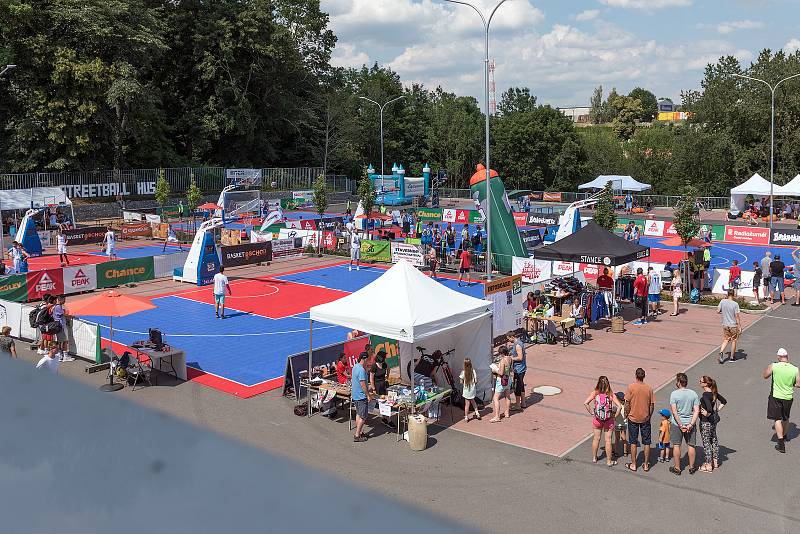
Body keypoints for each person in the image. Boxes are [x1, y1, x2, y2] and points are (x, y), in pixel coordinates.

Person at [764, 348, 799, 453]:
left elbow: (765, 376)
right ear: (787, 357)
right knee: (786, 418)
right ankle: (784, 435)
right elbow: (798, 384)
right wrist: (791, 383)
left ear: (779, 357)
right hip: (788, 397)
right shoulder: (795, 369)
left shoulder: (774, 366)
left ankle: (780, 443)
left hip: (776, 396)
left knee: (777, 419)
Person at [583, 375, 623, 466]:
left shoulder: (595, 393)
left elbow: (585, 403)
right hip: (608, 420)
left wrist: (592, 413)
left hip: (597, 419)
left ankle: (594, 457)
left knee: (596, 438)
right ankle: (609, 461)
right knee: (608, 440)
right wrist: (615, 417)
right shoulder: (610, 394)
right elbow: (619, 406)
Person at [669, 372, 700, 475]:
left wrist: (680, 424)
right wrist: (691, 424)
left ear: (678, 382)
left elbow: (674, 411)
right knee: (691, 445)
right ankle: (691, 467)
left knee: (677, 445)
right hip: (690, 423)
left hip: (677, 424)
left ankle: (677, 468)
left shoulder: (674, 394)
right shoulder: (693, 393)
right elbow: (696, 410)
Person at [625, 368, 655, 472]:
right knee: (647, 442)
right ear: (644, 376)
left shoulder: (631, 387)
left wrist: (626, 414)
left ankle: (633, 464)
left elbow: (627, 403)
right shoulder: (649, 388)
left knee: (633, 441)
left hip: (633, 418)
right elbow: (652, 405)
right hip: (645, 418)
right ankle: (646, 464)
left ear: (636, 376)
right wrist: (649, 416)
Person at [698, 376, 727, 473]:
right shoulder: (714, 393)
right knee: (714, 440)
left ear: (705, 384)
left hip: (705, 422)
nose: (700, 382)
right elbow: (724, 401)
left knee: (706, 443)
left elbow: (709, 408)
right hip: (713, 422)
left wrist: (708, 413)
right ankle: (715, 462)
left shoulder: (705, 394)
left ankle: (709, 465)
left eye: (701, 381)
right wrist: (717, 410)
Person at [717, 288, 741, 364]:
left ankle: (721, 352)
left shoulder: (722, 301)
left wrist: (723, 311)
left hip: (725, 324)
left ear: (727, 294)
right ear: (733, 295)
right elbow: (737, 316)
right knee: (734, 340)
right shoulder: (735, 304)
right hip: (733, 325)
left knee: (726, 339)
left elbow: (718, 311)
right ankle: (732, 357)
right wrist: (739, 326)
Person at [351, 352, 371, 442]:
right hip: (361, 396)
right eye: (368, 359)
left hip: (355, 395)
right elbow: (363, 385)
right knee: (363, 417)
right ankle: (357, 435)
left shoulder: (356, 367)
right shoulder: (361, 371)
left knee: (358, 414)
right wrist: (368, 395)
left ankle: (360, 432)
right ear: (365, 359)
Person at [370, 349, 392, 428]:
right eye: (384, 357)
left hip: (383, 384)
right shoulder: (374, 366)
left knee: (385, 401)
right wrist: (373, 388)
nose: (385, 359)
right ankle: (387, 419)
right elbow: (371, 378)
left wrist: (387, 377)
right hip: (377, 385)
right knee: (382, 402)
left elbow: (388, 369)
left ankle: (385, 418)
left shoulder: (384, 364)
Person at [490, 347, 512, 423]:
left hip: (501, 380)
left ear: (502, 353)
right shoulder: (510, 358)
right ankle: (507, 412)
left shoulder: (503, 361)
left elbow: (501, 373)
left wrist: (495, 370)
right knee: (508, 396)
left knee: (495, 398)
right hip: (508, 379)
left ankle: (497, 416)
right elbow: (510, 369)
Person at [507, 331, 526, 411]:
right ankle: (523, 402)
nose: (508, 340)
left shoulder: (518, 345)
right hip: (521, 368)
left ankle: (518, 405)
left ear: (512, 337)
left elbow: (520, 357)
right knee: (521, 385)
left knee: (517, 386)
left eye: (508, 339)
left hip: (519, 369)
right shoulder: (518, 343)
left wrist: (511, 358)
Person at [52, 295, 73, 362]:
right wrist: (70, 316)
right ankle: (65, 356)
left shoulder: (56, 306)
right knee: (65, 341)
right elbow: (63, 315)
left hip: (59, 326)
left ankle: (60, 355)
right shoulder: (58, 307)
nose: (65, 301)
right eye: (64, 300)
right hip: (61, 326)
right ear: (60, 300)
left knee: (60, 341)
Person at [460, 357, 481, 422]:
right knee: (473, 401)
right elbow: (476, 381)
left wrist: (464, 382)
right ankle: (477, 413)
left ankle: (466, 417)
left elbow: (461, 382)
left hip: (466, 390)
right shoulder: (473, 371)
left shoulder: (463, 372)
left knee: (467, 404)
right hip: (472, 389)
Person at [614, 392, 628, 461]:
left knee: (617, 439)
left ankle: (616, 452)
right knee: (624, 438)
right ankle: (625, 452)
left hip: (617, 424)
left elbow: (614, 415)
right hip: (624, 425)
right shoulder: (626, 407)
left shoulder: (616, 407)